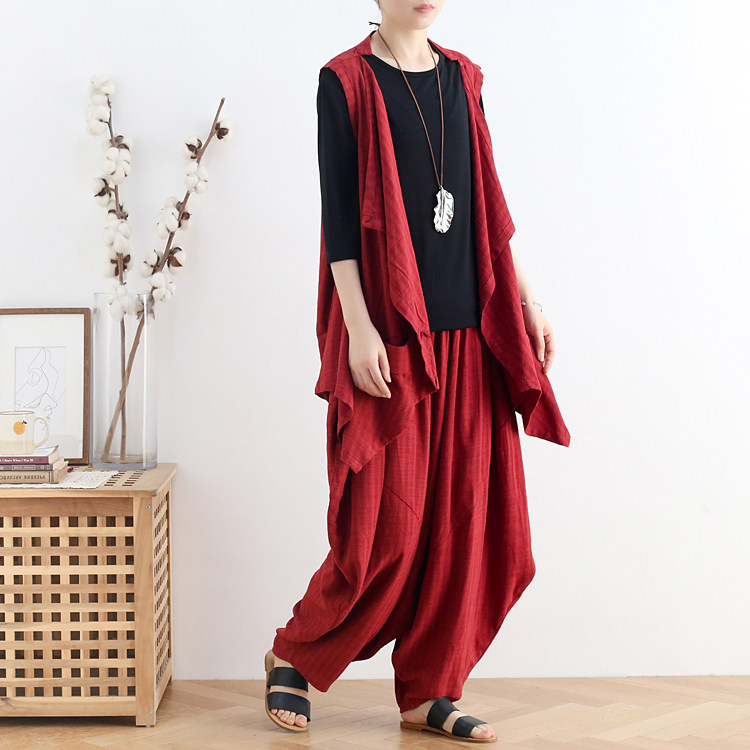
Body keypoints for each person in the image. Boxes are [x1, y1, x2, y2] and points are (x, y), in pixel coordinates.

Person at [264, 0, 570, 743]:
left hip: (473, 333)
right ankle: (295, 654)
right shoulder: (345, 81)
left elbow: (488, 203)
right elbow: (340, 218)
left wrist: (526, 298)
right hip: (396, 333)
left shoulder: (465, 79)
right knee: (385, 533)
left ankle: (430, 688)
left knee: (472, 528)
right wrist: (359, 326)